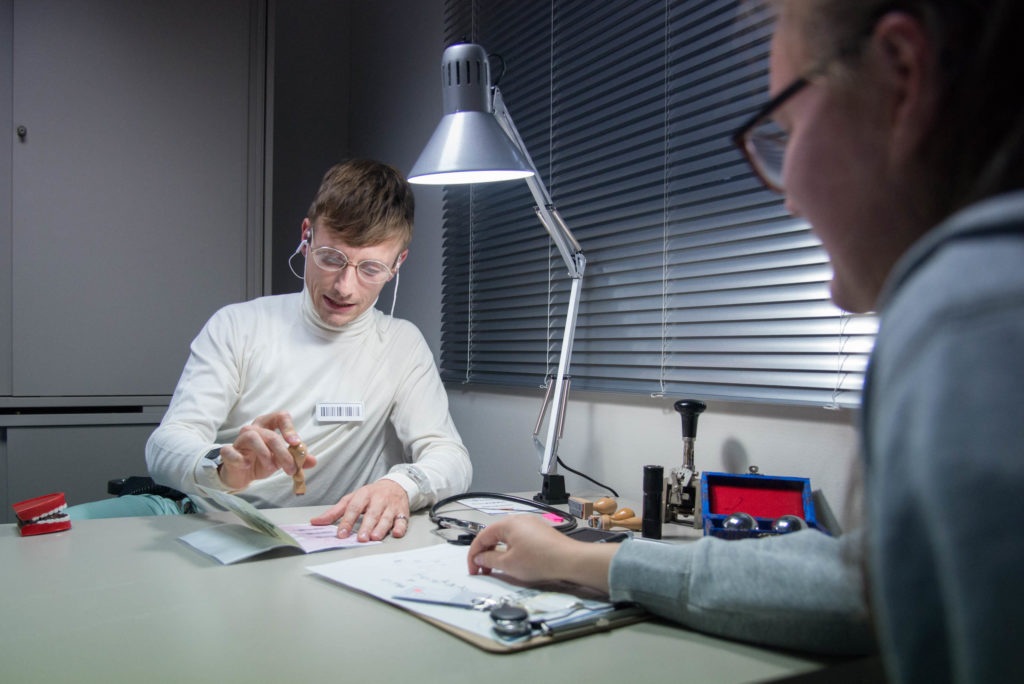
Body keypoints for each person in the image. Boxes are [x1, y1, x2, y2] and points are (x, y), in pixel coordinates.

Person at [467, 1, 1024, 681]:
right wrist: (583, 560)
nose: (788, 197)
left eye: (787, 133)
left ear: (901, 77)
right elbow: (861, 580)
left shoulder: (967, 315)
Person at [73, 159, 472, 542]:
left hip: (327, 538)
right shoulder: (239, 325)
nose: (344, 287)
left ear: (398, 264)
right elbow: (166, 444)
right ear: (306, 236)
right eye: (331, 258)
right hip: (210, 520)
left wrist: (400, 485)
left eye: (370, 269)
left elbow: (450, 456)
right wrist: (221, 464)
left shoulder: (401, 345)